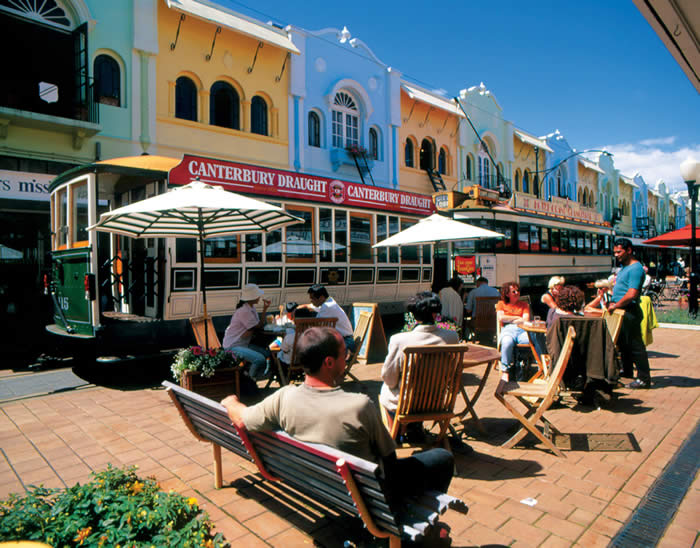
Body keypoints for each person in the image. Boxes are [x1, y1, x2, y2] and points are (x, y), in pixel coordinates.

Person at [221, 327, 454, 505]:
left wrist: (231, 401)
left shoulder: (284, 397)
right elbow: (390, 462)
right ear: (329, 362)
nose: (348, 356)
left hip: (314, 485)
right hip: (365, 499)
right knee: (442, 458)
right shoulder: (359, 406)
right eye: (345, 353)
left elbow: (243, 418)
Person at [380, 292, 459, 433]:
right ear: (436, 313)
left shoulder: (399, 340)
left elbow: (389, 378)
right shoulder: (452, 337)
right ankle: (414, 427)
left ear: (414, 314)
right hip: (436, 402)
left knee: (386, 389)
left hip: (407, 404)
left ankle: (397, 431)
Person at [607, 238, 651, 388]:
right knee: (623, 344)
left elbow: (632, 293)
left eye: (619, 252)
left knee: (635, 345)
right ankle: (626, 371)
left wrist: (616, 305)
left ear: (629, 250)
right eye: (615, 252)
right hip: (620, 309)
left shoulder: (636, 269)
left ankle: (644, 378)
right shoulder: (625, 268)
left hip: (629, 310)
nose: (616, 255)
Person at [496, 281, 543, 381]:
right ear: (507, 293)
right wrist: (517, 317)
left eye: (518, 291)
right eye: (514, 291)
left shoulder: (524, 305)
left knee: (535, 339)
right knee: (507, 343)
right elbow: (500, 318)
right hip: (508, 330)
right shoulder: (501, 304)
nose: (517, 293)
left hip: (522, 330)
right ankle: (505, 371)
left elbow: (525, 319)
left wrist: (509, 318)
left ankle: (542, 367)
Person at [223, 283, 271, 380]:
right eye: (257, 295)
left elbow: (257, 325)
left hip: (242, 343)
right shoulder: (244, 310)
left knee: (267, 354)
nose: (259, 297)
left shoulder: (250, 308)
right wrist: (264, 310)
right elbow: (258, 326)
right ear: (252, 297)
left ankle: (250, 375)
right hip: (233, 346)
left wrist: (265, 309)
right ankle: (249, 380)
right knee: (259, 359)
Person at [306, 284, 356, 353]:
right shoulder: (329, 302)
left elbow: (315, 324)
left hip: (345, 343)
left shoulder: (327, 307)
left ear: (321, 297)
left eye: (313, 298)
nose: (311, 301)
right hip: (345, 340)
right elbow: (311, 307)